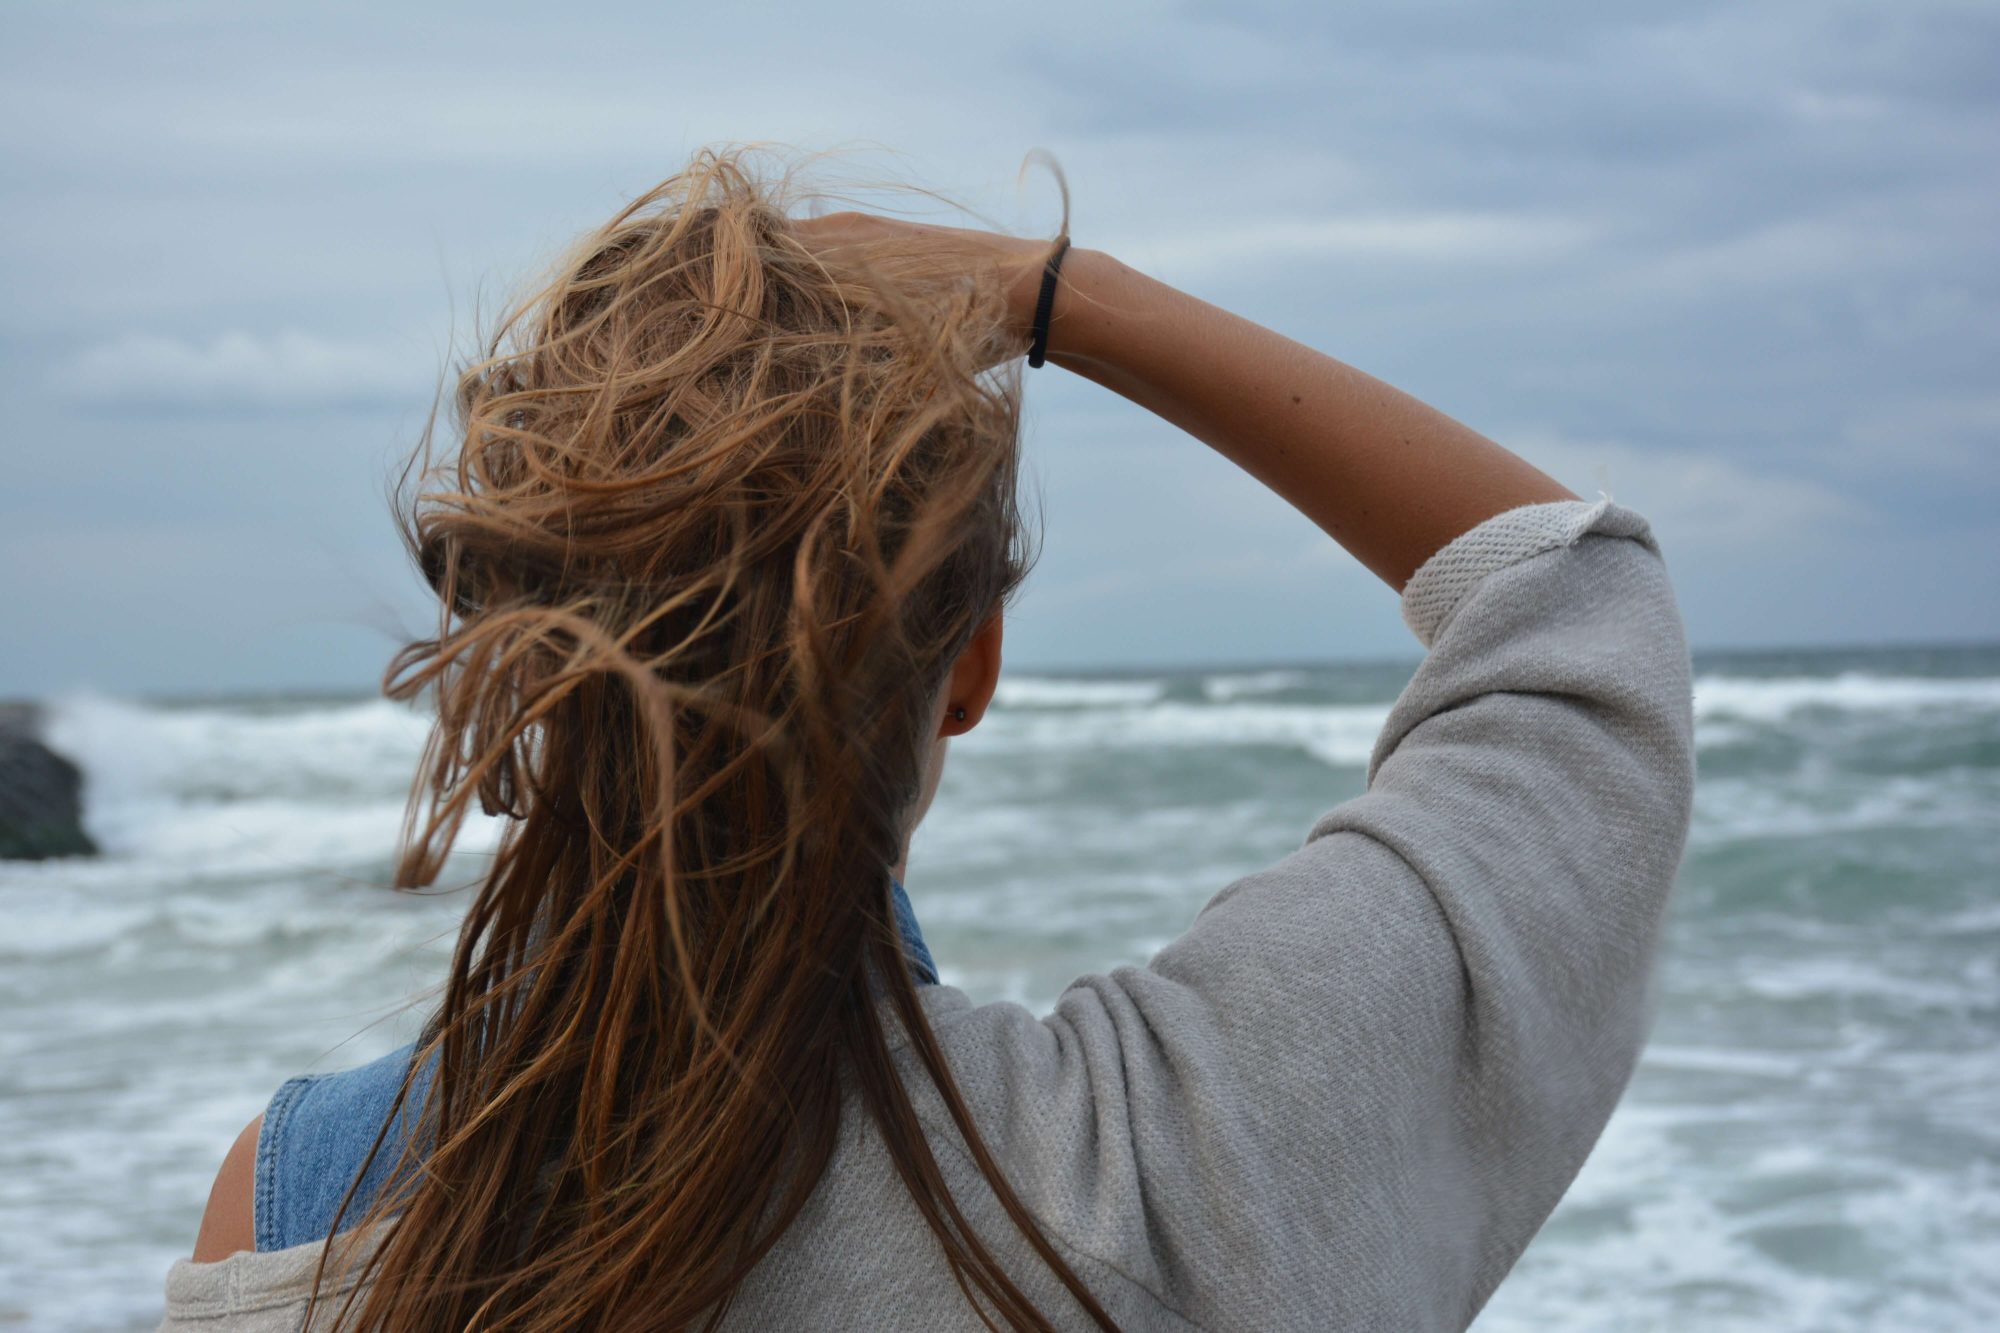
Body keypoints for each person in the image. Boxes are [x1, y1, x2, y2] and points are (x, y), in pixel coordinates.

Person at [159, 148, 1695, 1331]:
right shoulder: (1161, 1171)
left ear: (526, 660)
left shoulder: (301, 1216)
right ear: (970, 666)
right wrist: (1055, 297)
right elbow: (1576, 612)